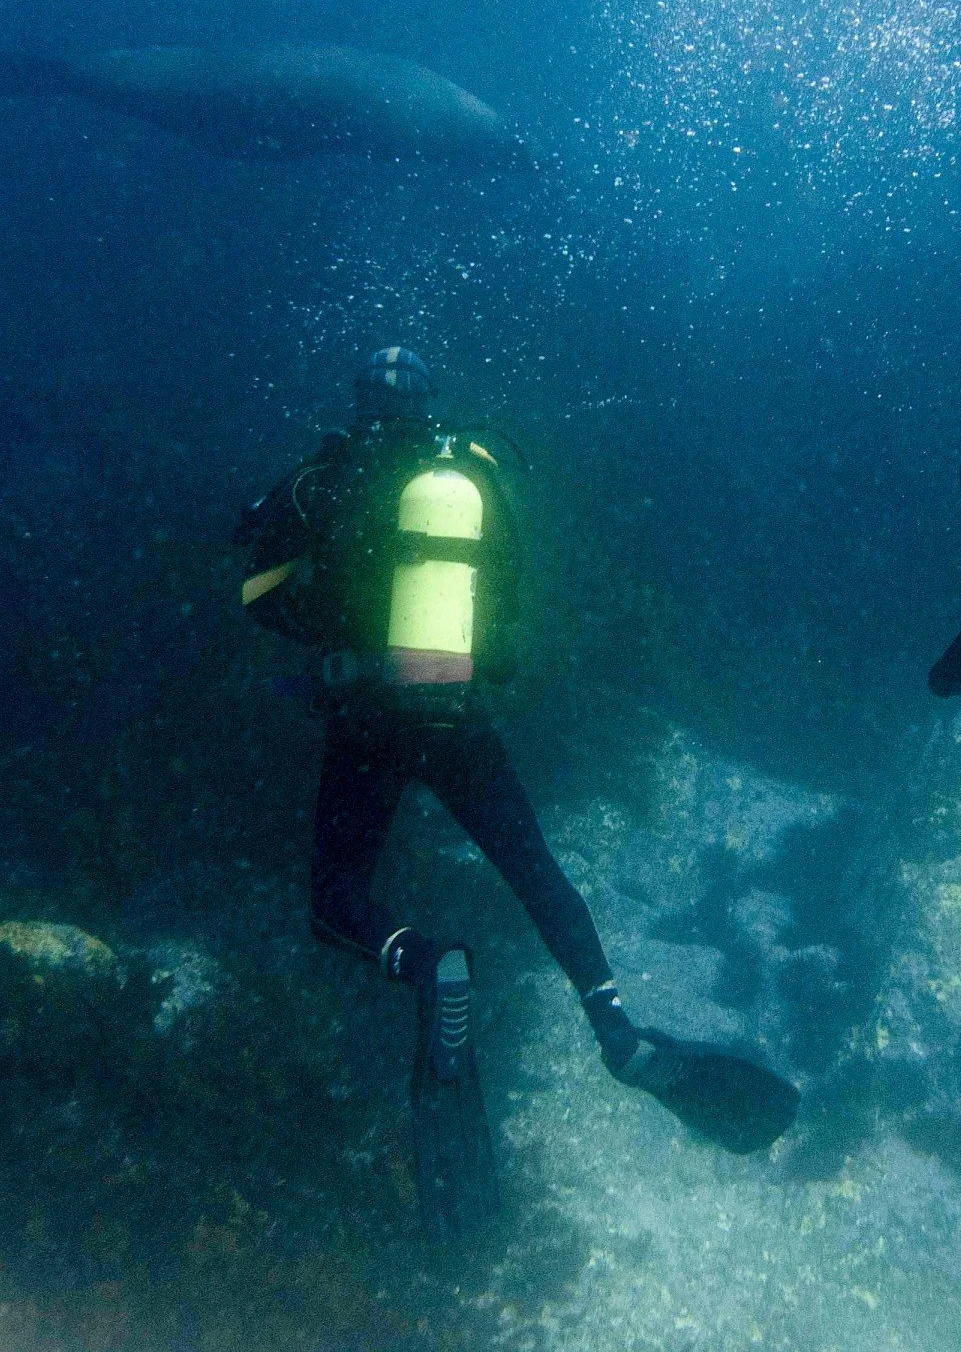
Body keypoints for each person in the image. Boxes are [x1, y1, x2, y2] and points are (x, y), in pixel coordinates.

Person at [234, 347, 795, 1239]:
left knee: (335, 900)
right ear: (428, 403)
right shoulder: (469, 471)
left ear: (360, 402)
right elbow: (505, 593)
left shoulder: (326, 471)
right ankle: (615, 1025)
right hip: (456, 710)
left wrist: (330, 615)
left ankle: (422, 961)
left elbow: (256, 593)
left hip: (366, 717)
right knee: (532, 867)